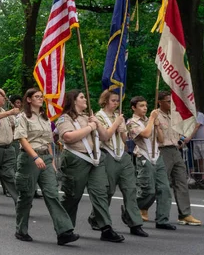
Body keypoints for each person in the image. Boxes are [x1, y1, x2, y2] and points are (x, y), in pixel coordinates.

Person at [56, 90, 124, 242]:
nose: (85, 99)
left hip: (95, 158)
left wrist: (97, 124)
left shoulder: (89, 117)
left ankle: (106, 228)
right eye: (81, 97)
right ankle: (64, 230)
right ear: (73, 101)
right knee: (72, 195)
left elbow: (106, 137)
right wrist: (90, 127)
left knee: (101, 192)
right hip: (76, 159)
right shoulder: (64, 118)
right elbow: (68, 137)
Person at [14, 88, 79, 245]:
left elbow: (48, 141)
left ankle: (64, 231)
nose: (40, 99)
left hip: (46, 158)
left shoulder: (45, 118)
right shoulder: (22, 117)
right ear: (28, 100)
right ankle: (21, 230)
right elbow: (22, 139)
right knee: (27, 195)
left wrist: (52, 161)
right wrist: (35, 157)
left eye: (41, 97)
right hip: (29, 158)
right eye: (36, 97)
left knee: (52, 193)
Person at [87, 90, 148, 237]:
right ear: (105, 100)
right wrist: (116, 124)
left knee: (130, 189)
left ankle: (135, 223)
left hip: (122, 155)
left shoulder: (117, 116)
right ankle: (96, 218)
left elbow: (125, 139)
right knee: (108, 191)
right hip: (107, 154)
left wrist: (122, 131)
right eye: (113, 100)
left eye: (117, 100)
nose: (116, 103)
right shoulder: (97, 116)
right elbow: (105, 136)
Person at [127, 96, 176, 230]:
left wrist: (158, 126)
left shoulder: (150, 120)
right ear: (134, 108)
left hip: (157, 155)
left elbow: (160, 139)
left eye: (146, 105)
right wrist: (153, 120)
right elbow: (146, 134)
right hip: (143, 156)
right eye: (141, 106)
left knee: (164, 189)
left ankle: (162, 219)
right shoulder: (131, 122)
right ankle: (131, 208)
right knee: (148, 190)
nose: (145, 108)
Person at [156, 91, 202, 226]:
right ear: (160, 102)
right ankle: (141, 206)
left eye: (172, 101)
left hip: (175, 150)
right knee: (159, 184)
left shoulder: (175, 116)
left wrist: (181, 142)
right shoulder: (155, 115)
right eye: (168, 101)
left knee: (181, 181)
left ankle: (185, 214)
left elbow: (182, 132)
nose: (171, 104)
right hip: (162, 151)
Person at [186, 111, 204, 184]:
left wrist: (190, 136)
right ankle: (203, 176)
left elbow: (197, 126)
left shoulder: (200, 114)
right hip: (196, 141)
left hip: (202, 140)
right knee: (199, 160)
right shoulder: (189, 116)